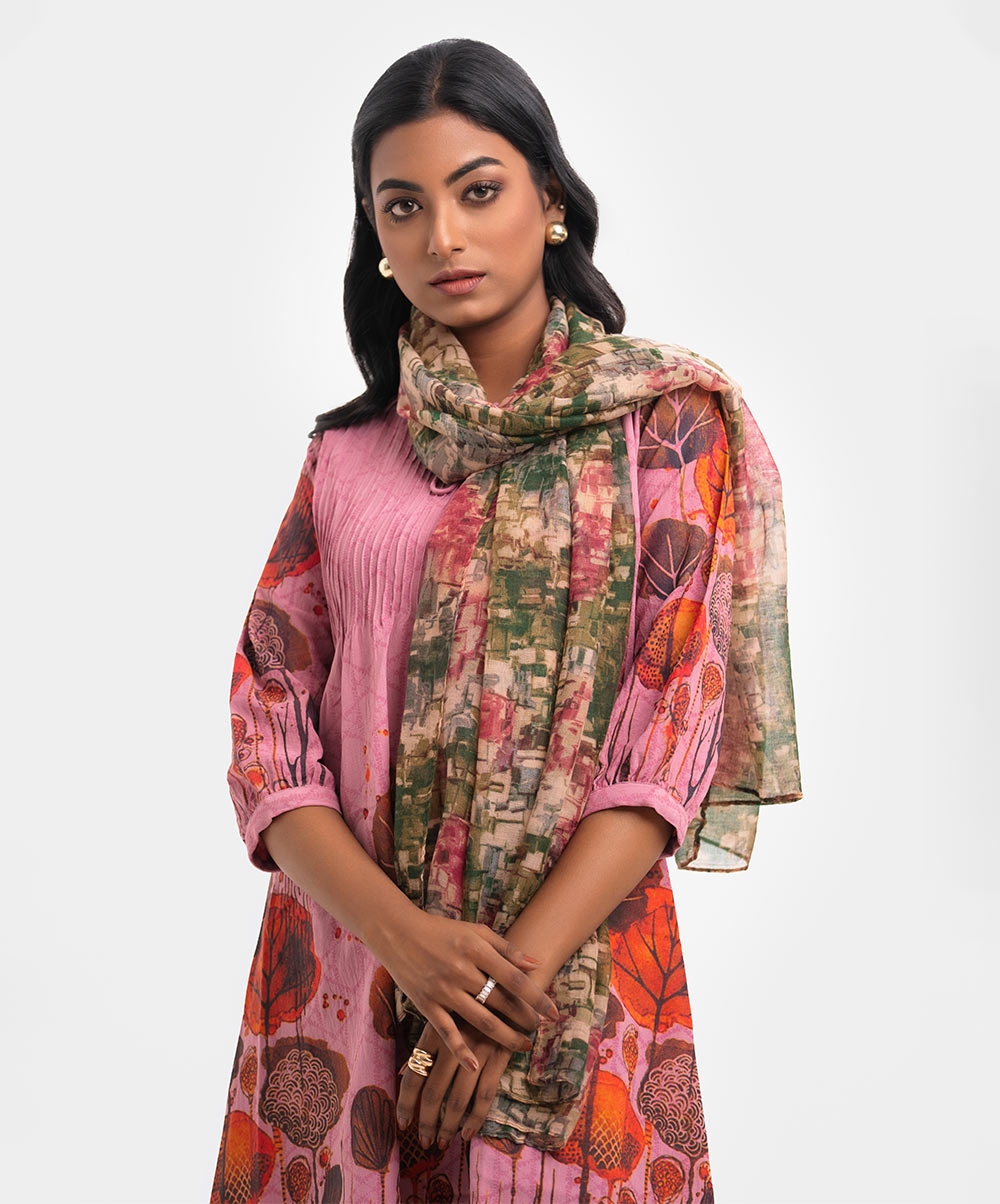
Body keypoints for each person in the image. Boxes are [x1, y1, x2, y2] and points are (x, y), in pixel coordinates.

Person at [211, 37, 802, 1204]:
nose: (443, 236)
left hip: (571, 979)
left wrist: (486, 997)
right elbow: (268, 730)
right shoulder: (346, 457)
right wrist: (408, 946)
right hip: (349, 973)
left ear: (551, 202)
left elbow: (667, 741)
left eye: (478, 191)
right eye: (404, 206)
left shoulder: (664, 427)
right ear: (374, 236)